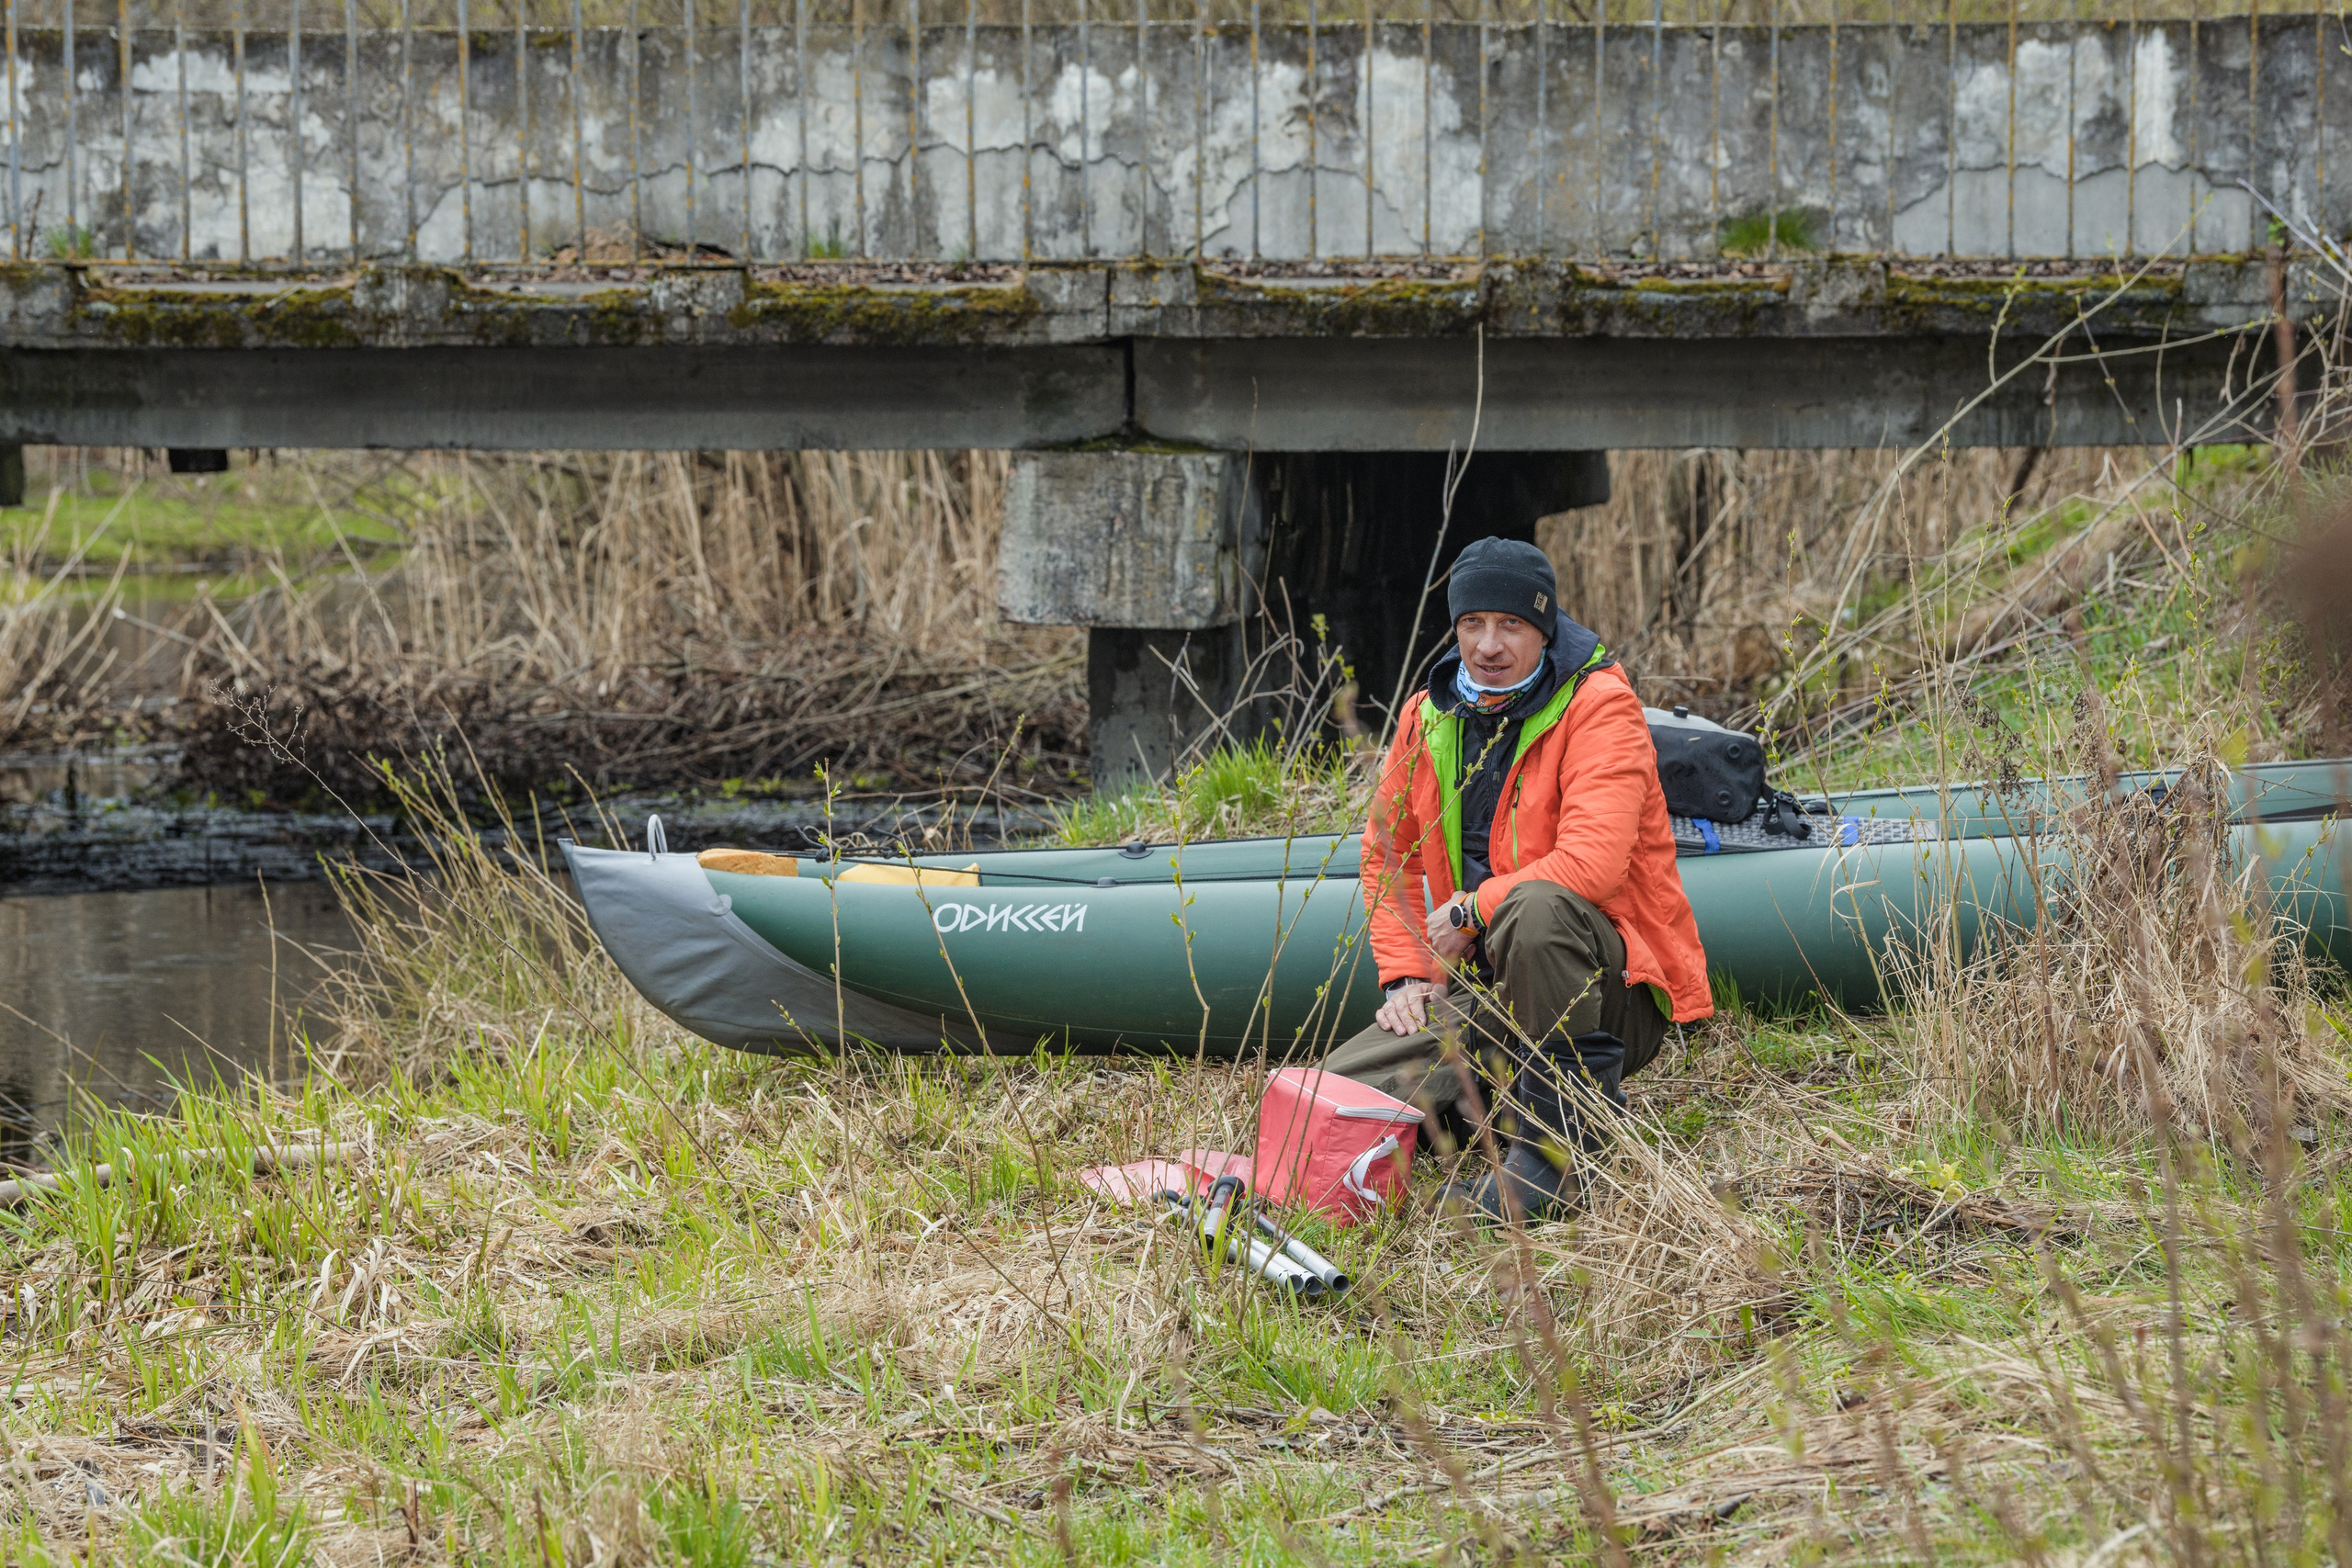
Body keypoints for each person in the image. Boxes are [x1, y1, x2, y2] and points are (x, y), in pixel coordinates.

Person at [1321, 536, 1713, 1221]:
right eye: (1472, 623)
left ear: (1545, 628)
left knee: (1533, 909)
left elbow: (1590, 865)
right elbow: (1388, 856)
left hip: (1608, 990)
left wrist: (1471, 909)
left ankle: (1560, 1158)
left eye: (1511, 625)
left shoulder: (1599, 705)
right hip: (1486, 989)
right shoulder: (1428, 713)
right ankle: (1479, 1114)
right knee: (1330, 1092)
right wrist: (1407, 974)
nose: (1488, 645)